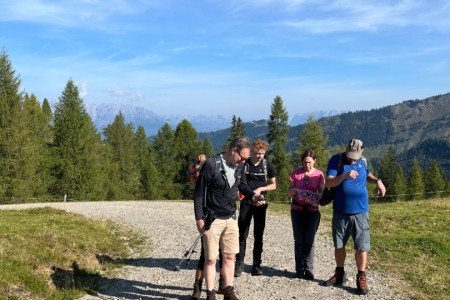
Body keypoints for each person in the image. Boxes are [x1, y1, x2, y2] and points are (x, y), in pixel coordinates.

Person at [194, 137, 263, 300]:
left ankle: (228, 290)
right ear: (233, 150)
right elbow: (198, 193)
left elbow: (242, 186)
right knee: (210, 258)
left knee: (230, 256)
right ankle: (210, 293)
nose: (244, 161)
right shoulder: (211, 164)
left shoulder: (240, 166)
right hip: (212, 218)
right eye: (242, 157)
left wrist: (253, 196)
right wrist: (199, 218)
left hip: (231, 217)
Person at [323, 139, 386, 295]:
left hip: (360, 212)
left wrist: (377, 181)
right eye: (351, 155)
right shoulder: (336, 160)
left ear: (361, 152)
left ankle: (361, 276)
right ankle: (339, 274)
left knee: (361, 246)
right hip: (340, 211)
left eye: (355, 156)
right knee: (339, 245)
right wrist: (344, 175)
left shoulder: (363, 161)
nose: (352, 158)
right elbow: (328, 181)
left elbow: (368, 175)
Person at [235, 139, 277, 277]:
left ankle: (256, 264)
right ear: (253, 151)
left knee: (258, 234)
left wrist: (262, 189)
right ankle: (239, 263)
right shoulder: (245, 164)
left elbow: (274, 185)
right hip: (247, 202)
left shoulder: (267, 165)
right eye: (258, 153)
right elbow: (241, 182)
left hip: (260, 203)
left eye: (263, 153)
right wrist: (252, 194)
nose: (260, 156)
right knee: (242, 233)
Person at [288, 149, 325, 280]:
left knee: (310, 240)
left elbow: (322, 192)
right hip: (297, 209)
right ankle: (299, 270)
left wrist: (315, 196)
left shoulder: (319, 175)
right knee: (298, 240)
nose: (307, 165)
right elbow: (289, 190)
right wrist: (294, 191)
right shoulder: (296, 173)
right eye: (305, 162)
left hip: (312, 211)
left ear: (314, 161)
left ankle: (309, 270)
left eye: (309, 162)